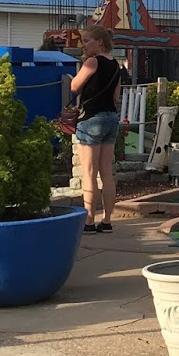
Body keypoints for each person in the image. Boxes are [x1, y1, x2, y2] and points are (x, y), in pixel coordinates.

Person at [69, 24, 122, 234]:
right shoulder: (116, 64)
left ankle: (89, 222)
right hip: (111, 117)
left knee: (89, 174)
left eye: (87, 40)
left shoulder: (92, 62)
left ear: (99, 41)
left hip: (91, 118)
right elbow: (116, 96)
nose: (84, 45)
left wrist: (84, 65)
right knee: (106, 173)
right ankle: (107, 220)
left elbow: (74, 86)